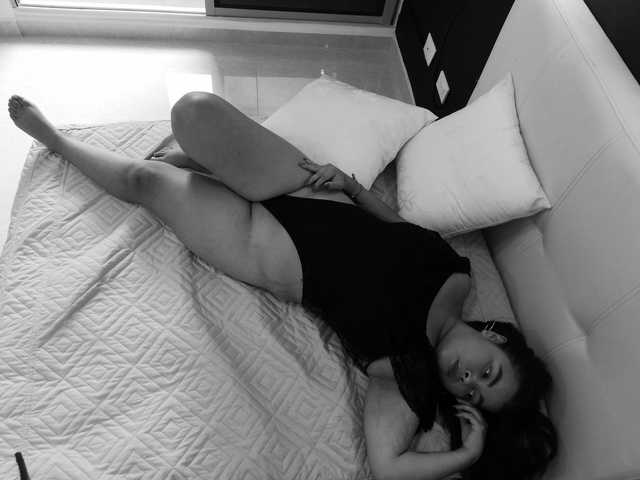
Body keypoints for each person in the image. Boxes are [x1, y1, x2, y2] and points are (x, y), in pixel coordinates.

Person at [8, 91, 557, 480]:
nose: (467, 380)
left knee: (143, 179)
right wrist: (351, 186)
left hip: (257, 243)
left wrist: (465, 456)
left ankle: (55, 139)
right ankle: (206, 169)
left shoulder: (406, 377)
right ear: (497, 339)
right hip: (305, 188)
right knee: (190, 111)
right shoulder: (458, 274)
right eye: (488, 372)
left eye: (471, 395)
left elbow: (390, 468)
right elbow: (398, 227)